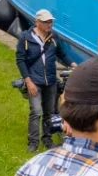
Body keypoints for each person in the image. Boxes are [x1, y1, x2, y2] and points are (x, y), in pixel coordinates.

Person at [15, 9, 71, 153]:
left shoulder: (54, 37)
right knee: (36, 111)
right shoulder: (26, 38)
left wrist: (73, 65)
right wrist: (28, 81)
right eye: (46, 22)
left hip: (51, 81)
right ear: (37, 22)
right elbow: (20, 60)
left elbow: (61, 54)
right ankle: (32, 142)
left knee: (49, 112)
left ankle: (47, 139)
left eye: (50, 22)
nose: (49, 24)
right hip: (34, 80)